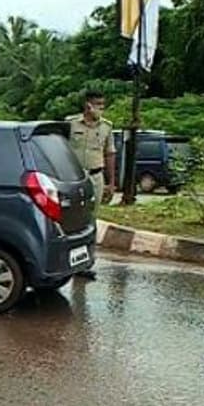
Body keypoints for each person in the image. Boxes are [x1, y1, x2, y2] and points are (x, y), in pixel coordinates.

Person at [66, 89, 117, 280]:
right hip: (74, 178)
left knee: (91, 220)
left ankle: (86, 262)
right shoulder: (70, 124)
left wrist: (112, 183)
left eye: (103, 106)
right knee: (71, 218)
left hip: (95, 177)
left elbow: (110, 153)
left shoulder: (106, 127)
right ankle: (69, 260)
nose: (101, 109)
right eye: (98, 105)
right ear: (88, 105)